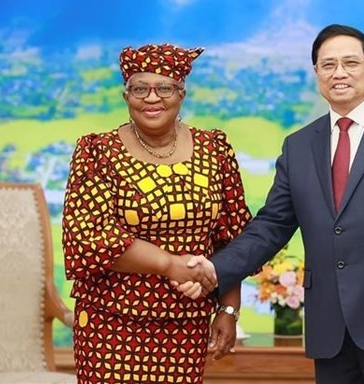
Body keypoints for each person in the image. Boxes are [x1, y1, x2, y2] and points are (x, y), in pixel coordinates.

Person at [179, 24, 364, 383]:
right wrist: (215, 270)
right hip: (330, 330)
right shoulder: (299, 146)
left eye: (350, 63)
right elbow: (271, 226)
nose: (338, 73)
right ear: (316, 73)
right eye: (327, 65)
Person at [62, 43, 251, 384]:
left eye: (164, 87)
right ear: (125, 95)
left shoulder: (215, 149)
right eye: (140, 88)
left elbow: (232, 237)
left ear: (181, 93)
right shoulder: (97, 151)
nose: (152, 98)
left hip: (186, 323)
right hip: (111, 324)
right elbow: (89, 237)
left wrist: (228, 309)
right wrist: (169, 264)